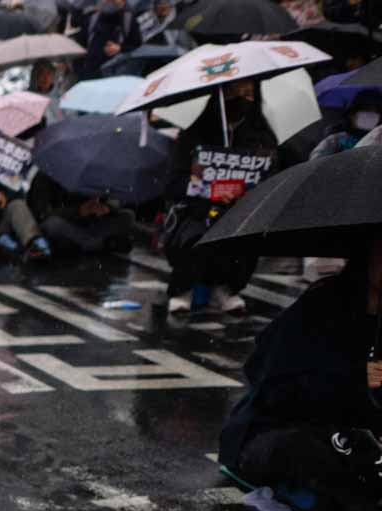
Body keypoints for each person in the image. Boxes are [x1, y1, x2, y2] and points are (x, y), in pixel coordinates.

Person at [217, 235, 382, 511]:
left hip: (356, 434)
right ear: (367, 257)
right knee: (315, 460)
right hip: (281, 429)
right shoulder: (321, 305)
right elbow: (266, 376)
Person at [161, 79, 275, 314]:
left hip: (242, 209)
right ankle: (183, 288)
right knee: (195, 235)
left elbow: (269, 175)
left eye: (249, 94)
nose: (242, 99)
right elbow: (174, 181)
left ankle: (228, 287)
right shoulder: (194, 133)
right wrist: (209, 188)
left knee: (245, 239)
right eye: (236, 93)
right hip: (197, 207)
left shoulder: (261, 135)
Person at [28, 172, 135, 256]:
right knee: (52, 225)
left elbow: (114, 198)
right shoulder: (46, 175)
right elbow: (42, 213)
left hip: (90, 224)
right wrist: (78, 211)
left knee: (127, 216)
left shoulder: (96, 173)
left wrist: (107, 207)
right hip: (66, 224)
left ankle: (90, 243)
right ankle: (100, 244)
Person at [79, 0, 141, 80]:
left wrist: (120, 48)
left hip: (115, 76)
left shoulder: (129, 19)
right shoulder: (91, 18)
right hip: (91, 75)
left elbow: (137, 47)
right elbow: (80, 46)